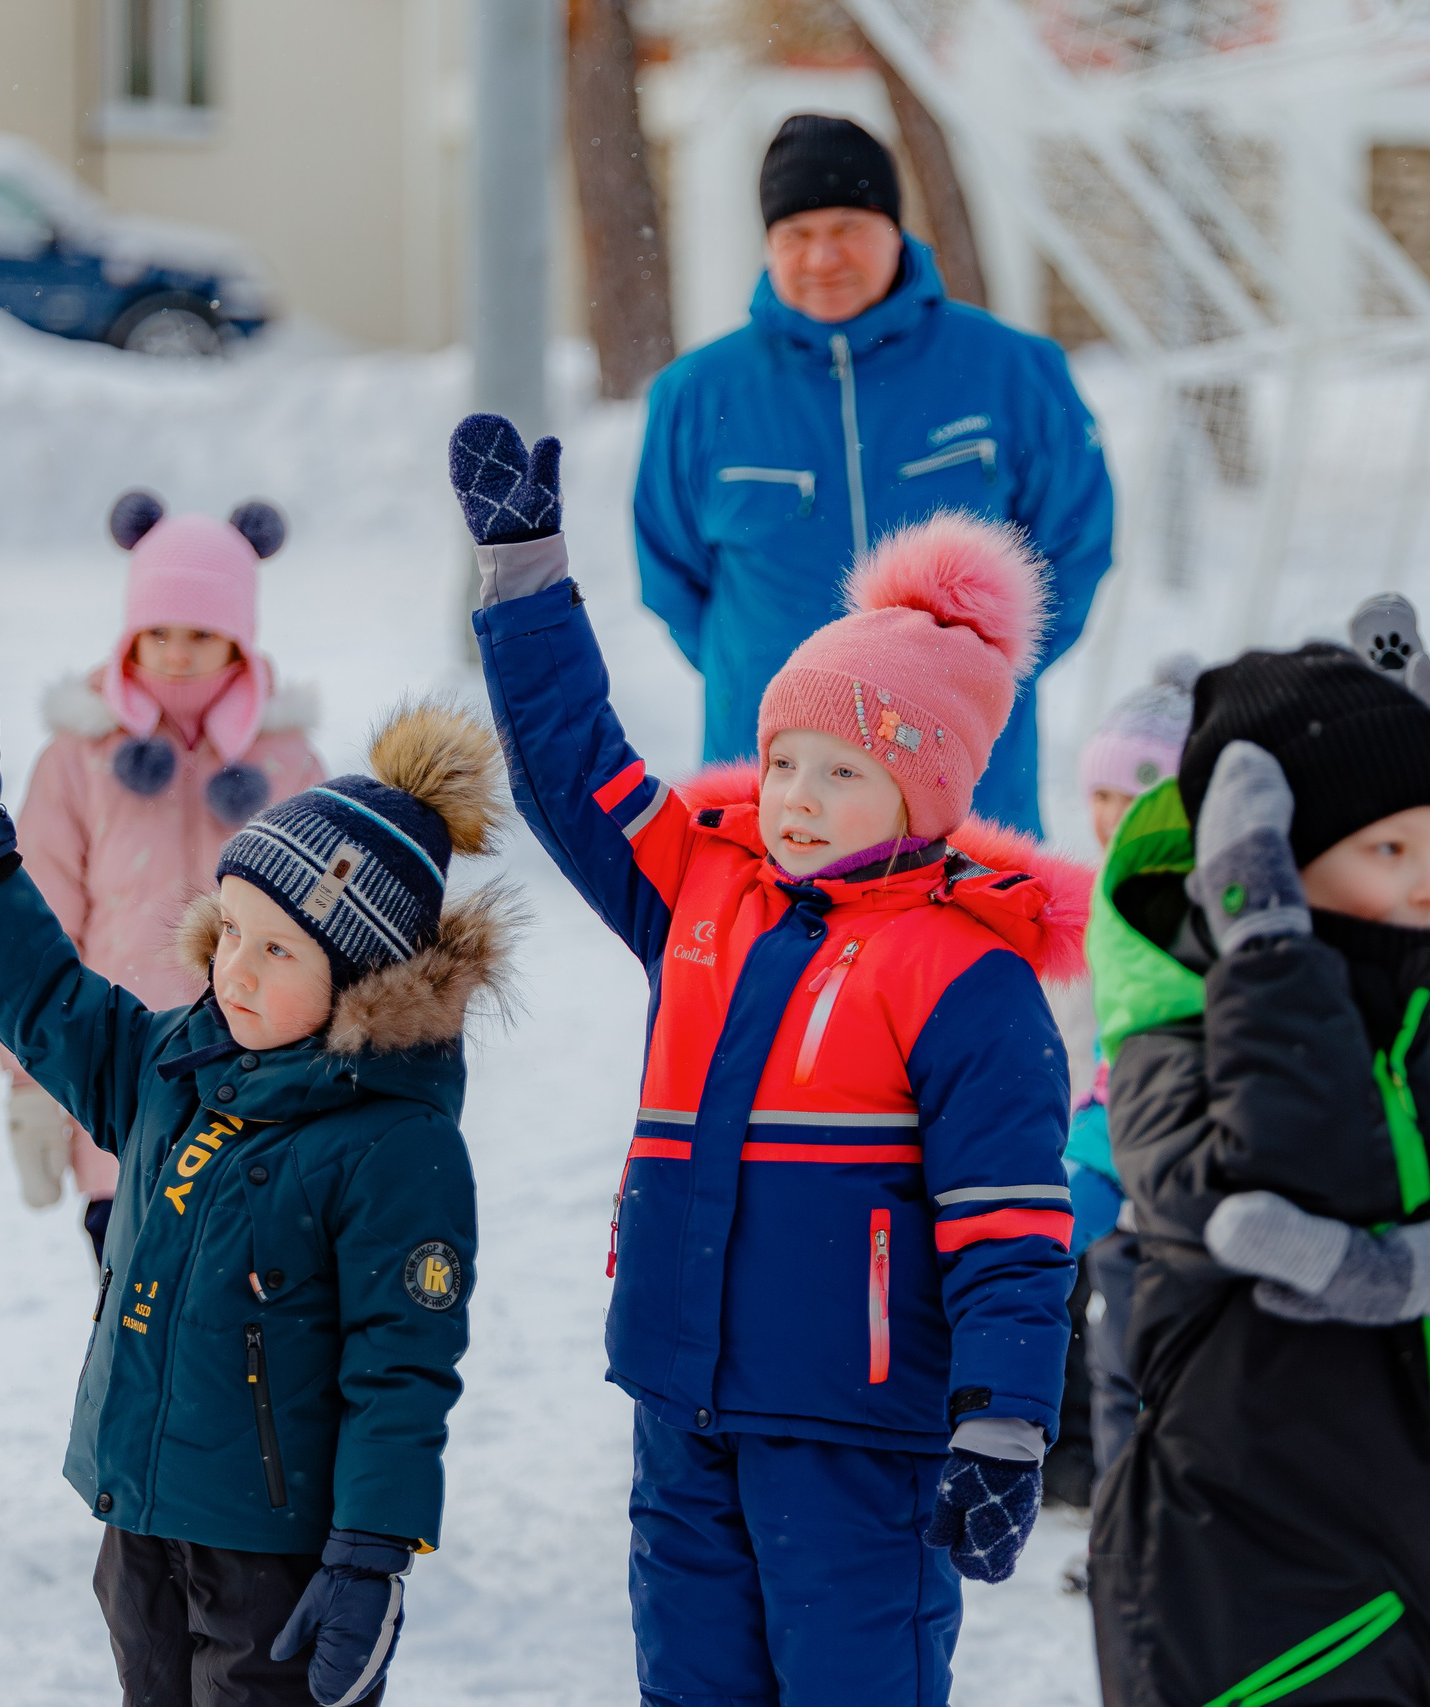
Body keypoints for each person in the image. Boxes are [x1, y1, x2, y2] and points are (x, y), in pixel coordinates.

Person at [459, 413, 1085, 1704]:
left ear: (925, 794)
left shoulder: (969, 976)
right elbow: (576, 770)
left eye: (840, 770)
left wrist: (1004, 1421)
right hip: (682, 1404)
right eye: (785, 755)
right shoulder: (703, 891)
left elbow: (1012, 1229)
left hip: (859, 1439)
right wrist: (526, 581)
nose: (792, 794)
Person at [0, 675, 514, 1707]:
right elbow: (52, 1001)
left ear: (362, 980)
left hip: (275, 1550)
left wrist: (368, 1553)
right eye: (229, 929)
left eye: (278, 951)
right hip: (139, 1513)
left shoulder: (394, 1145)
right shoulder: (179, 1063)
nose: (236, 970)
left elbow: (401, 1369)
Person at [1086, 644, 1430, 1706]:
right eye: (1389, 847)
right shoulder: (1175, 1055)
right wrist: (1265, 945)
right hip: (1261, 1641)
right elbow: (1299, 1177)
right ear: (1263, 859)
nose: (1424, 889)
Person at [634, 113, 1114, 837]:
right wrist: (767, 679)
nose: (823, 256)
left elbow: (1074, 542)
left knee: (966, 955)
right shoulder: (698, 394)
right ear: (768, 245)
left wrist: (979, 688)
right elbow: (673, 576)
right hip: (771, 796)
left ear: (895, 227)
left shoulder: (1011, 371)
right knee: (774, 955)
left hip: (968, 790)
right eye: (796, 234)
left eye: (849, 225)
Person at [6, 492, 325, 1259]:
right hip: (120, 1102)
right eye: (157, 632)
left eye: (202, 634)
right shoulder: (78, 761)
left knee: (244, 1348)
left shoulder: (287, 764)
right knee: (133, 1336)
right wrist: (32, 1089)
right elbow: (37, 930)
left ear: (240, 642)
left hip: (260, 1111)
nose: (176, 654)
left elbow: (329, 932)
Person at [1057, 654, 1197, 1513]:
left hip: (1160, 1176)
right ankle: (1116, 1525)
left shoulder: (1185, 907)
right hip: (1088, 1149)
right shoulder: (1075, 889)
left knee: (1161, 1373)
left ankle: (1165, 1529)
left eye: (1137, 793)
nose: (1113, 815)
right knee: (1109, 1361)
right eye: (1102, 794)